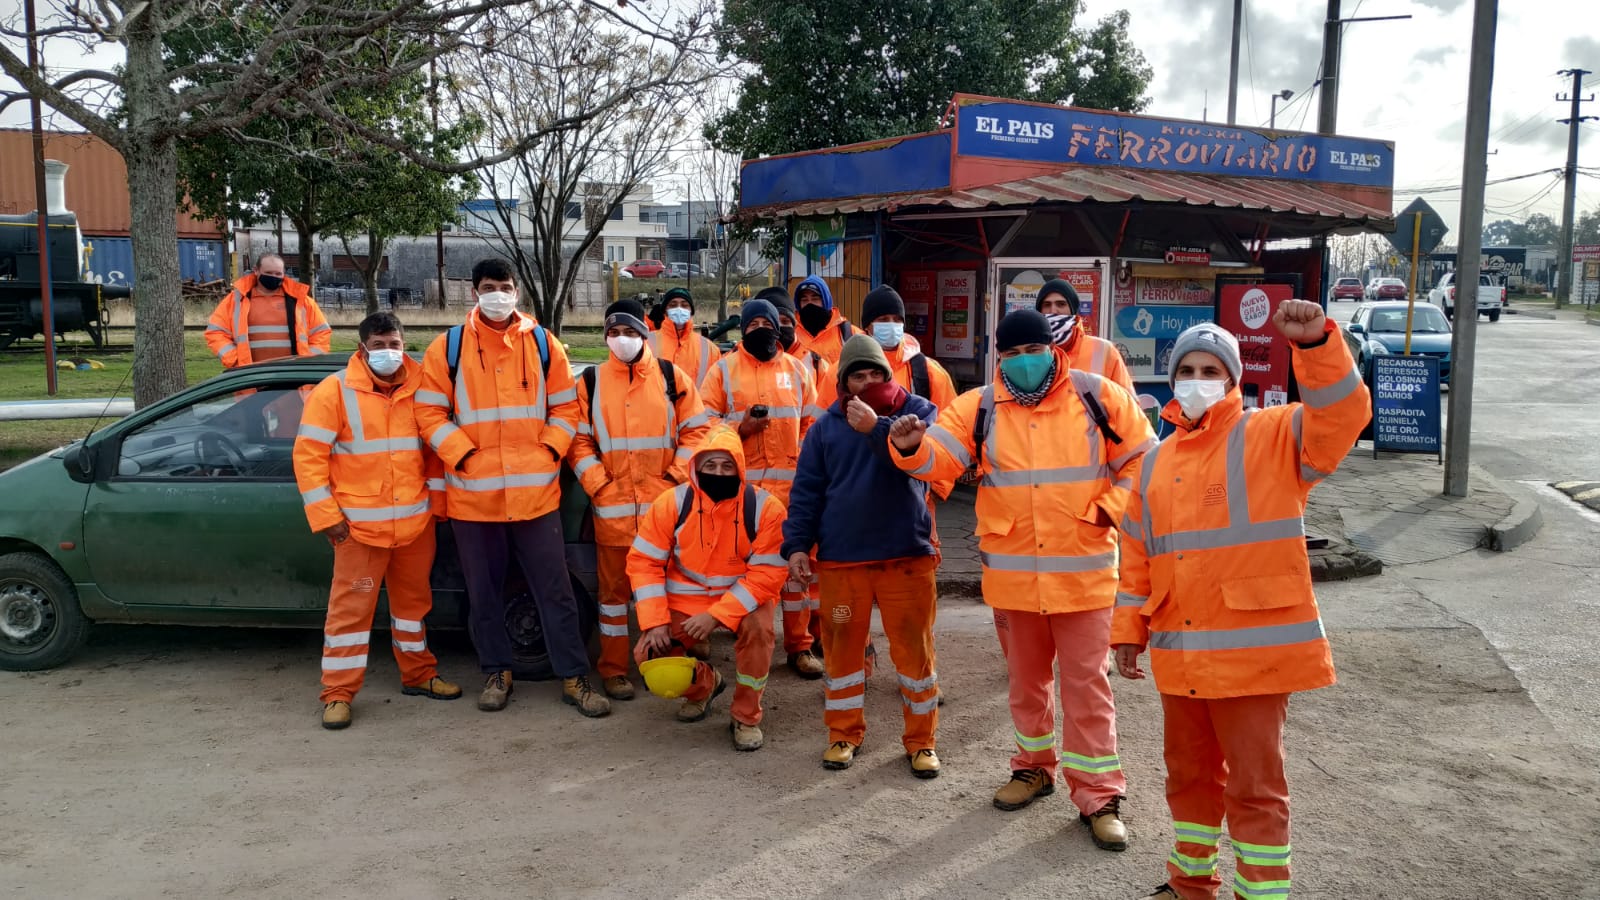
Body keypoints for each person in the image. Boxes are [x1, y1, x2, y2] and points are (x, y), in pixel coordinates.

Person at [1112, 303, 1370, 900]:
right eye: (1188, 369)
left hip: (1254, 660)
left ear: (1231, 380)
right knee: (1189, 778)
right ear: (1173, 379)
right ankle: (1189, 882)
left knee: (1255, 787)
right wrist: (1128, 630)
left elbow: (1344, 416)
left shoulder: (1275, 434)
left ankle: (1260, 893)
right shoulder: (1153, 464)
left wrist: (1316, 347)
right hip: (1181, 656)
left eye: (1210, 370)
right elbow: (1138, 557)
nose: (1196, 380)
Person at [887, 308, 1155, 852]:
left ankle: (1099, 795)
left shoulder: (1097, 396)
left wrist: (1109, 508)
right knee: (1025, 685)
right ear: (998, 358)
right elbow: (940, 459)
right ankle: (1033, 768)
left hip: (1084, 577)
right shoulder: (978, 406)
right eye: (1010, 356)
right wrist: (912, 446)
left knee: (1088, 689)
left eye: (1030, 352)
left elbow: (1145, 462)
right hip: (1013, 582)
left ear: (1051, 350)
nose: (1022, 364)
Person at [413, 258, 610, 718]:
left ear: (517, 291)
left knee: (556, 590)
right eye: (487, 287)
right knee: (484, 593)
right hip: (473, 496)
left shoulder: (544, 344)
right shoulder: (449, 348)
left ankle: (574, 677)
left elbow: (566, 410)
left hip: (535, 495)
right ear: (473, 293)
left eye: (503, 286)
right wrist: (463, 455)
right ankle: (497, 672)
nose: (496, 294)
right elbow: (428, 413)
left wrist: (547, 453)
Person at [783, 335, 942, 777]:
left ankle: (922, 741)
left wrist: (875, 428)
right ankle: (842, 733)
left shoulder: (919, 412)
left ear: (889, 375)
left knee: (915, 655)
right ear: (843, 383)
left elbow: (919, 463)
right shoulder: (823, 429)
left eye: (877, 374)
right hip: (841, 566)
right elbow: (806, 493)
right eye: (858, 375)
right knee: (841, 654)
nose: (869, 382)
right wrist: (797, 544)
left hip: (906, 560)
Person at [293, 312, 460, 730]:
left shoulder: (422, 387)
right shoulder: (335, 392)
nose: (389, 352)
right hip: (358, 530)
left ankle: (419, 675)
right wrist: (327, 516)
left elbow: (433, 454)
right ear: (362, 349)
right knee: (350, 613)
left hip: (414, 526)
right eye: (380, 345)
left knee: (413, 608)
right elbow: (308, 457)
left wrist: (436, 508)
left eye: (395, 344)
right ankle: (338, 693)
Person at [569, 299, 712, 700]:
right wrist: (598, 483)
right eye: (613, 333)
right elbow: (578, 441)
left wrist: (673, 481)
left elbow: (698, 434)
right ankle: (614, 669)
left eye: (630, 332)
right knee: (613, 601)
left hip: (666, 515)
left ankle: (670, 661)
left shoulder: (671, 377)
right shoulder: (591, 382)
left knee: (672, 592)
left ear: (645, 334)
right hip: (612, 515)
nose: (621, 340)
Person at [626, 427, 787, 751]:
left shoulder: (766, 508)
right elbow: (643, 562)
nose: (718, 473)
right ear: (696, 467)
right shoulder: (670, 503)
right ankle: (704, 685)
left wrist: (716, 616)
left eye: (727, 466)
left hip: (744, 600)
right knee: (648, 653)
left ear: (739, 469)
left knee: (758, 632)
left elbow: (768, 574)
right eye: (710, 465)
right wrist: (654, 621)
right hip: (684, 600)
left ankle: (745, 716)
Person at [699, 297, 823, 679]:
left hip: (791, 496)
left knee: (795, 576)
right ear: (743, 330)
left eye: (766, 325)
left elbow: (811, 425)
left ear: (777, 328)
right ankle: (742, 636)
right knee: (742, 572)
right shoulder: (723, 371)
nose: (760, 332)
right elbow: (704, 427)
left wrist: (807, 469)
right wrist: (741, 430)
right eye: (752, 327)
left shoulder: (797, 371)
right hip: (742, 498)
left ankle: (799, 647)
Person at [206, 253, 331, 367]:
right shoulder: (236, 300)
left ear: (284, 273)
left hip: (293, 377)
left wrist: (308, 361)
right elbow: (215, 332)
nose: (273, 277)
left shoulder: (301, 300)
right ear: (256, 270)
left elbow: (321, 333)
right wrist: (235, 360)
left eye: (278, 274)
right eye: (269, 273)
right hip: (250, 377)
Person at [860, 285, 958, 410]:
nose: (891, 324)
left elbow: (949, 423)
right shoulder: (845, 370)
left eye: (897, 320)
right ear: (867, 327)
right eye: (883, 320)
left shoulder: (929, 371)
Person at [1036, 279, 1136, 396]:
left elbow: (1129, 405)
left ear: (1072, 309)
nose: (1053, 310)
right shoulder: (1029, 351)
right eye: (1047, 305)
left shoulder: (1104, 350)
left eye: (1061, 304)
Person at [647, 287, 721, 388]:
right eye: (673, 305)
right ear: (664, 311)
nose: (679, 308)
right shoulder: (646, 343)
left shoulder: (711, 350)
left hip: (697, 403)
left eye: (684, 305)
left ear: (691, 311)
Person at [790, 275, 854, 366]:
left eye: (815, 299)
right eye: (804, 300)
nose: (809, 304)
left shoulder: (848, 333)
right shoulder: (790, 334)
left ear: (826, 302)